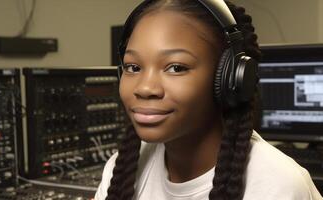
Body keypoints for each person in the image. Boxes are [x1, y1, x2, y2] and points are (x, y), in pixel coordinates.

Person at [95, 0, 322, 199]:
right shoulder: (119, 169)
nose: (145, 88)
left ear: (230, 78)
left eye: (176, 67)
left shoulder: (278, 186)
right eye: (133, 67)